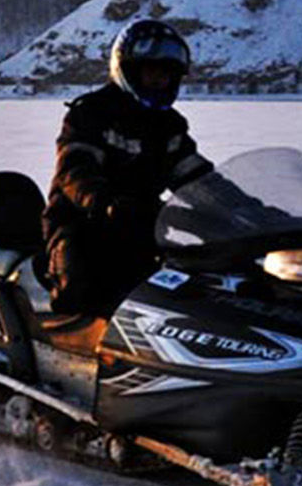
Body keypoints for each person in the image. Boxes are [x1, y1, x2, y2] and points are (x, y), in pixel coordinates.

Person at [42, 20, 213, 320]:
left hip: (146, 225)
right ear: (129, 70)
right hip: (83, 222)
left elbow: (195, 176)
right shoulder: (91, 113)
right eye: (152, 71)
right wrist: (101, 200)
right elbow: (74, 169)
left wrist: (249, 209)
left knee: (195, 285)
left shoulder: (169, 126)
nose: (160, 80)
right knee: (84, 289)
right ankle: (73, 355)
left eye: (167, 73)